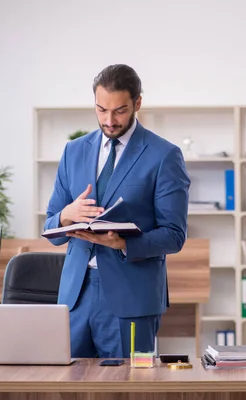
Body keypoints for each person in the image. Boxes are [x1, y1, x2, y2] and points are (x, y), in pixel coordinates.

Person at [43, 64, 191, 358]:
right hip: (75, 296)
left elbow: (174, 236)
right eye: (101, 110)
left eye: (120, 111)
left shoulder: (164, 155)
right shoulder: (74, 151)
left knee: (128, 389)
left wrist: (124, 242)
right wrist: (67, 213)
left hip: (131, 297)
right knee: (70, 389)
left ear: (137, 103)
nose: (109, 120)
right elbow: (51, 229)